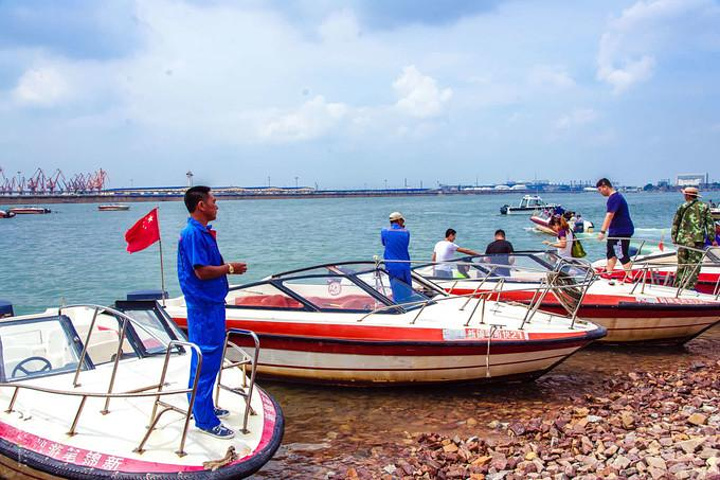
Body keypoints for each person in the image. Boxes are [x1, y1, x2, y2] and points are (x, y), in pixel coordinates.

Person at [177, 186, 247, 439]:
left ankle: (200, 406)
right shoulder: (194, 233)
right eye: (213, 201)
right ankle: (205, 420)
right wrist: (229, 268)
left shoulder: (201, 233)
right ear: (201, 205)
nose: (217, 206)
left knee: (207, 358)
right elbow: (201, 271)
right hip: (204, 307)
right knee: (206, 359)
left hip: (209, 304)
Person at [671, 187, 717, 290]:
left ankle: (677, 286)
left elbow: (675, 223)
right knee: (694, 265)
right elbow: (710, 224)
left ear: (687, 195)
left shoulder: (682, 206)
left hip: (682, 240)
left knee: (682, 264)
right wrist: (712, 239)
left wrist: (674, 237)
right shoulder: (704, 207)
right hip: (696, 241)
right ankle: (688, 287)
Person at [596, 178, 634, 274]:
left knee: (621, 253)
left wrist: (602, 231)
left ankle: (630, 276)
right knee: (611, 253)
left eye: (600, 190)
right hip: (614, 231)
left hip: (621, 231)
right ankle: (609, 272)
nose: (600, 192)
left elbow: (609, 215)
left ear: (605, 186)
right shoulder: (614, 198)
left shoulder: (614, 198)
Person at [381, 212, 412, 302]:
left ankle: (398, 307)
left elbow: (384, 243)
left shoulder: (384, 231)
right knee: (407, 290)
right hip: (405, 265)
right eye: (402, 220)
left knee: (396, 291)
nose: (403, 222)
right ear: (398, 220)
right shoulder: (406, 232)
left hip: (392, 266)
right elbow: (405, 244)